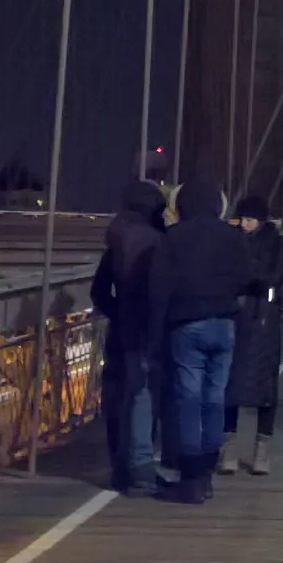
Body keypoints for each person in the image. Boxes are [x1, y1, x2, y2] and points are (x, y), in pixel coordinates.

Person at [145, 176, 264, 502]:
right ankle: (207, 474)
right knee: (214, 398)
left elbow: (158, 288)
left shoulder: (174, 238)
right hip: (224, 323)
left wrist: (154, 334)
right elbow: (247, 277)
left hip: (187, 324)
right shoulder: (233, 236)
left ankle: (191, 478)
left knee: (189, 399)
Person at [89, 175, 167, 494]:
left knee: (117, 397)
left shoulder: (117, 242)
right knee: (144, 396)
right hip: (149, 330)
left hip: (121, 330)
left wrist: (118, 312)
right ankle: (140, 470)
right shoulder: (159, 241)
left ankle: (119, 470)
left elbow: (98, 291)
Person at [222, 193, 283, 475]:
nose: (244, 224)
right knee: (231, 381)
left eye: (249, 219)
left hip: (264, 318)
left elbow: (275, 275)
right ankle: (229, 447)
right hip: (238, 316)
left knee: (265, 384)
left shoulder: (278, 244)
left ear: (262, 220)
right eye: (241, 219)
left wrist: (246, 276)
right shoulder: (233, 241)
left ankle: (262, 448)